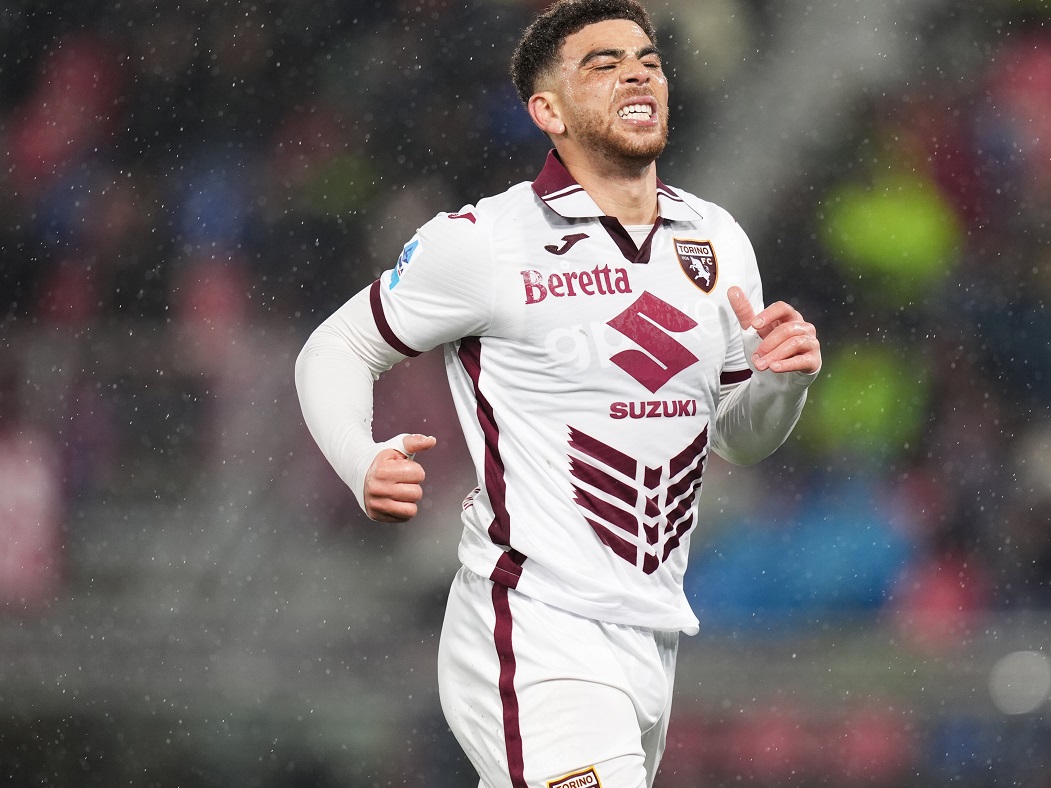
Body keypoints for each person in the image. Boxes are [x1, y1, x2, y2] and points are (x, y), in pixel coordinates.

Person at [294, 1, 821, 784]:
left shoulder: (716, 239)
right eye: (604, 65)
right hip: (533, 625)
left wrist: (783, 384)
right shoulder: (484, 241)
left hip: (652, 633)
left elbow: (737, 438)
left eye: (647, 61)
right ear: (549, 111)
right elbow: (335, 347)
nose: (637, 74)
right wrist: (358, 457)